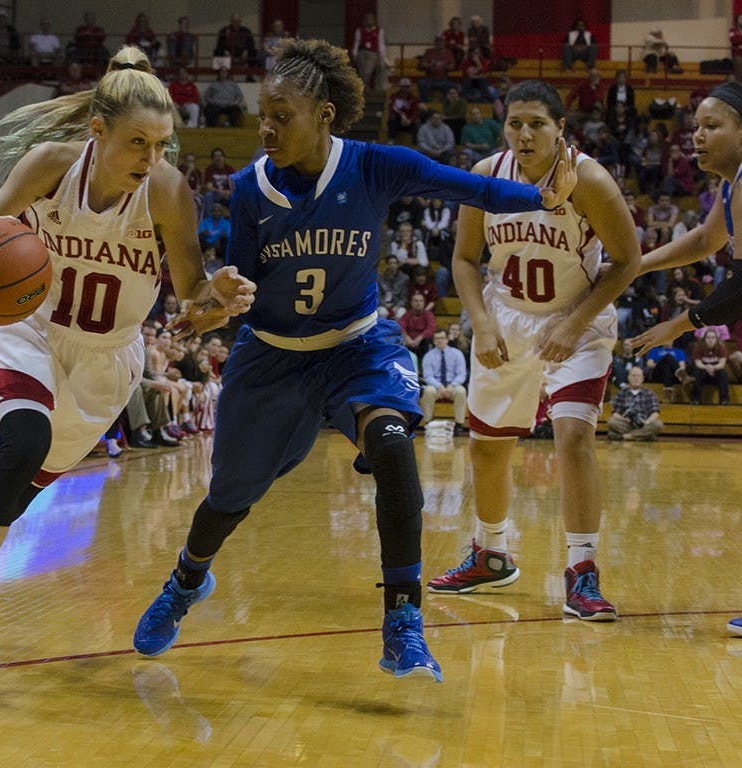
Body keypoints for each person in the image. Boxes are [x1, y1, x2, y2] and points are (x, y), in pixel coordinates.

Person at [131, 39, 577, 681]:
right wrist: (218, 303)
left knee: (394, 447)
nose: (267, 127)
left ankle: (403, 621)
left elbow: (470, 186)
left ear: (326, 117)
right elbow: (242, 289)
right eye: (264, 114)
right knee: (228, 497)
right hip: (274, 357)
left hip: (357, 347)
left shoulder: (375, 166)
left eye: (282, 115)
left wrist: (541, 198)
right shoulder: (249, 189)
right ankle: (185, 580)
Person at [0, 46, 256, 671]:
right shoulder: (51, 165)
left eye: (162, 146)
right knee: (21, 445)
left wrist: (222, 299)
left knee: (22, 486)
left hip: (106, 358)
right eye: (138, 143)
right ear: (97, 132)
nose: (152, 159)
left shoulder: (168, 192)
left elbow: (192, 296)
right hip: (30, 327)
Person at [427, 80, 640, 623]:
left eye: (537, 124)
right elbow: (465, 260)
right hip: (506, 320)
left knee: (573, 436)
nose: (524, 134)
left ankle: (582, 569)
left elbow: (627, 260)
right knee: (487, 447)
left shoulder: (589, 179)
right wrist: (480, 322)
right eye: (515, 123)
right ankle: (490, 552)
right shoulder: (485, 176)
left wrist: (574, 323)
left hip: (577, 321)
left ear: (560, 128)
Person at [419, 328, 468, 434]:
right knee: (428, 391)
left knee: (461, 391)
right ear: (433, 341)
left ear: (447, 339)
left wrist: (452, 385)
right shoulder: (428, 356)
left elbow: (461, 374)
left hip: (453, 385)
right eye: (437, 338)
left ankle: (459, 425)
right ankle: (428, 423)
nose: (439, 341)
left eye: (442, 338)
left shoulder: (457, 354)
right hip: (436, 387)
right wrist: (439, 386)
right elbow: (428, 376)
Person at [607, 366, 662, 441]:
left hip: (644, 424)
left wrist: (647, 421)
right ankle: (646, 436)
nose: (636, 378)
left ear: (642, 378)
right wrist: (623, 419)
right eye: (633, 376)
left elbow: (655, 413)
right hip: (626, 424)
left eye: (639, 376)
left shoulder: (649, 393)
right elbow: (615, 413)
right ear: (628, 378)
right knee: (611, 422)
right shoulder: (622, 393)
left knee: (658, 425)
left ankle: (625, 437)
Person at [689, 328, 731, 404]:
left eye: (713, 338)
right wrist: (707, 367)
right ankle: (695, 399)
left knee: (723, 374)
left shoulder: (721, 347)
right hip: (703, 370)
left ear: (716, 339)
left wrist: (713, 368)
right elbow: (698, 363)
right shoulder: (698, 346)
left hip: (716, 371)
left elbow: (722, 364)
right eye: (708, 338)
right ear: (704, 339)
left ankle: (724, 399)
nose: (710, 340)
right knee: (697, 373)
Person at [351, 12, 387, 92]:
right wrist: (355, 55)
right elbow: (357, 42)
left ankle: (367, 88)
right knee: (362, 72)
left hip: (373, 53)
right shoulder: (359, 30)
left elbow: (381, 44)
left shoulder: (379, 31)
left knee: (368, 71)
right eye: (367, 19)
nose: (369, 21)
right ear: (364, 21)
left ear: (374, 20)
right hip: (362, 53)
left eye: (371, 19)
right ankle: (363, 89)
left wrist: (383, 56)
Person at [386, 78, 419, 143]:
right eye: (403, 86)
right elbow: (392, 108)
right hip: (397, 121)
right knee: (391, 117)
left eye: (407, 87)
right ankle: (391, 139)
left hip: (408, 122)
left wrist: (410, 120)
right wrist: (401, 115)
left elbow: (415, 111)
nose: (405, 89)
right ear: (400, 87)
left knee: (418, 123)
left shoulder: (413, 98)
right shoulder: (393, 96)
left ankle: (415, 143)